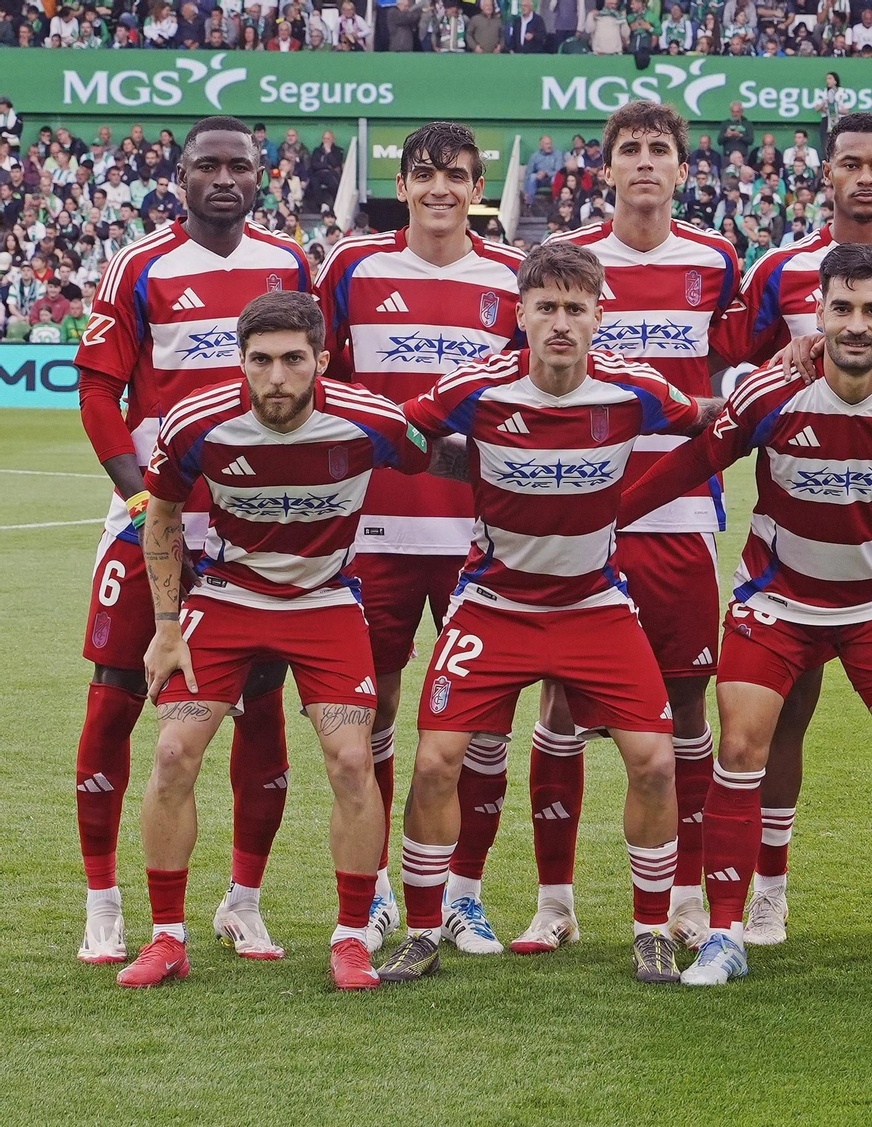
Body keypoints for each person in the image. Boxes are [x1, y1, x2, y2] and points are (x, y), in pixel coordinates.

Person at [621, 243, 872, 989]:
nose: (856, 324)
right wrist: (601, 519)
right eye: (842, 308)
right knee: (742, 747)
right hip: (776, 599)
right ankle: (726, 933)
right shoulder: (769, 392)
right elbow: (692, 462)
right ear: (819, 312)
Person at [374, 242, 724, 986]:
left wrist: (797, 380)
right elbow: (403, 431)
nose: (561, 322)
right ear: (521, 315)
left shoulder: (634, 390)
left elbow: (707, 423)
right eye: (547, 307)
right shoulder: (479, 388)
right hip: (493, 605)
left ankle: (651, 928)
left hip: (594, 604)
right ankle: (424, 927)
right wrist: (465, 465)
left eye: (575, 308)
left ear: (600, 317)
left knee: (656, 760)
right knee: (437, 761)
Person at [114, 291, 431, 991]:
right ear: (242, 360)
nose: (278, 378)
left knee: (352, 758)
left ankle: (352, 937)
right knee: (170, 752)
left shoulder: (370, 421)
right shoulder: (199, 421)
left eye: (294, 360)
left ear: (321, 360)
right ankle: (168, 935)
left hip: (325, 601)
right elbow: (162, 518)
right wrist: (168, 626)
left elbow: (436, 457)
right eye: (261, 360)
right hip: (227, 598)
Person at [709, 112, 872, 943]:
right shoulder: (781, 267)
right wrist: (771, 367)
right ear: (826, 175)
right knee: (785, 709)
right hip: (800, 504)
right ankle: (769, 887)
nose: (863, 177)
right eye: (847, 163)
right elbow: (736, 361)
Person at [72, 116, 312, 967]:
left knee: (262, 703)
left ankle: (243, 902)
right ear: (179, 176)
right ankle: (104, 903)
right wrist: (136, 496)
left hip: (256, 522)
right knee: (114, 700)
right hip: (154, 516)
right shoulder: (138, 265)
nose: (223, 177)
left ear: (261, 176)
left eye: (238, 165)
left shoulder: (288, 262)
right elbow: (98, 391)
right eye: (206, 164)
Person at [521, 102, 742, 955]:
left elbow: (732, 373)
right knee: (561, 701)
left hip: (680, 515)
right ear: (605, 167)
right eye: (630, 151)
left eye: (660, 151)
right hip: (583, 507)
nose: (645, 163)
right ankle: (555, 901)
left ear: (681, 169)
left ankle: (684, 895)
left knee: (686, 703)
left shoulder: (716, 259)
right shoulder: (573, 262)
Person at [314, 121, 526, 955]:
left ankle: (466, 894)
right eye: (425, 175)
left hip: (479, 533)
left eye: (458, 177)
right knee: (377, 707)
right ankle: (375, 894)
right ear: (400, 185)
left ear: (478, 190)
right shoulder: (353, 267)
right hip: (370, 528)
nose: (441, 189)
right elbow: (318, 377)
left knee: (482, 722)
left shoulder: (512, 275)